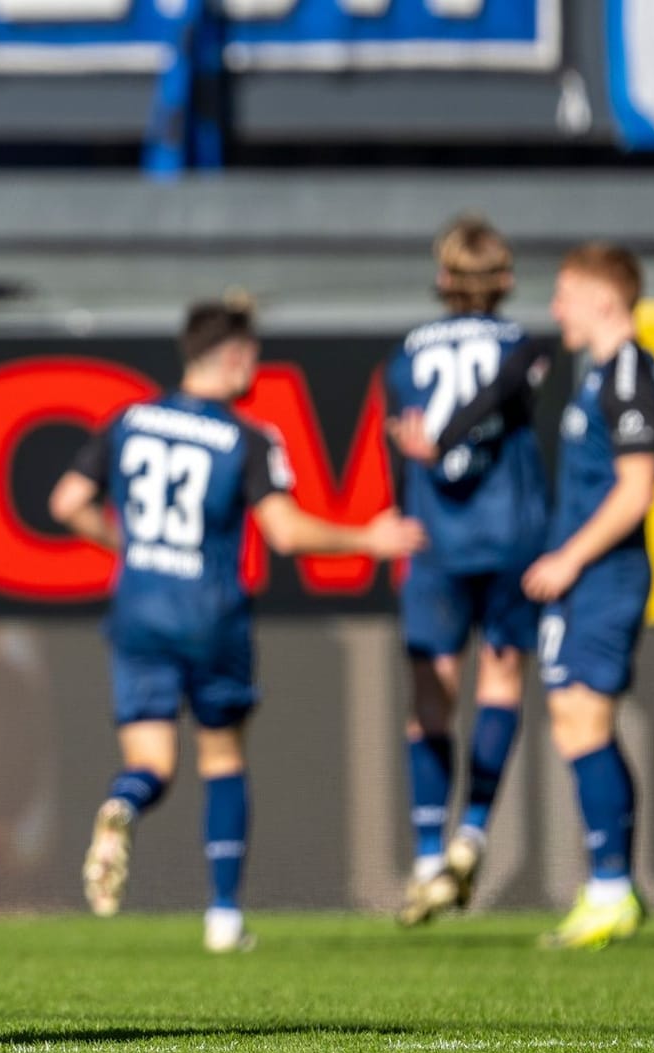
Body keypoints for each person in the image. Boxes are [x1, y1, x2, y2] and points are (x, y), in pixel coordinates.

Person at [49, 298, 425, 954]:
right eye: (252, 354)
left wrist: (125, 547)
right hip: (210, 614)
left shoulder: (130, 419)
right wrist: (367, 536)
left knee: (150, 762)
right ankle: (223, 916)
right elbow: (284, 531)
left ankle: (124, 805)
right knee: (222, 758)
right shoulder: (246, 438)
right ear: (231, 357)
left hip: (138, 608)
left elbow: (66, 502)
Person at [381, 216, 551, 927]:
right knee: (503, 680)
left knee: (433, 691)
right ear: (505, 279)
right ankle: (473, 830)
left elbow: (405, 441)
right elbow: (514, 400)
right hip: (512, 532)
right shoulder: (522, 345)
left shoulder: (404, 356)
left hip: (438, 539)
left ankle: (426, 852)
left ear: (444, 278)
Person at [526, 244, 654, 949]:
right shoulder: (597, 376)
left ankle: (610, 888)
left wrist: (568, 557)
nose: (556, 310)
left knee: (585, 721)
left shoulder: (634, 372)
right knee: (572, 720)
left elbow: (636, 490)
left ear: (606, 299)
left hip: (605, 575)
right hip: (582, 575)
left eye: (566, 293)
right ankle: (613, 884)